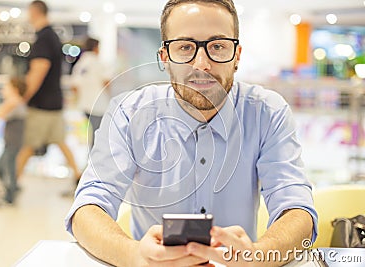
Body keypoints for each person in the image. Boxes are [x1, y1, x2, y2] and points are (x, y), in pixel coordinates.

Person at [65, 0, 318, 266]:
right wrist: (134, 256)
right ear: (164, 57)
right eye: (185, 47)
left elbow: (297, 208)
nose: (202, 64)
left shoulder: (267, 112)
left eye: (218, 46)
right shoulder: (128, 113)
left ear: (237, 56)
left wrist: (260, 255)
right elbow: (87, 207)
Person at [16, 0, 80, 186]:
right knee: (60, 141)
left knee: (28, 144)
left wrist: (23, 97)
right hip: (54, 102)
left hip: (41, 105)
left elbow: (38, 70)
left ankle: (12, 184)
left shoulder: (43, 38)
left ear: (35, 12)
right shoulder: (51, 36)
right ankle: (77, 176)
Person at [71, 37, 111, 150]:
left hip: (85, 105)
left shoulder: (80, 64)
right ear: (95, 47)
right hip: (98, 105)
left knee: (90, 134)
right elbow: (107, 82)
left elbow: (74, 85)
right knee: (99, 135)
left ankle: (92, 158)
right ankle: (96, 161)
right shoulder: (98, 63)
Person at [0, 78, 27, 206]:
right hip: (10, 142)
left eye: (6, 87)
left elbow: (0, 114)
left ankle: (10, 193)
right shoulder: (15, 103)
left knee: (7, 168)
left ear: (15, 90)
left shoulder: (16, 103)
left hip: (14, 143)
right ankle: (11, 188)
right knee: (2, 167)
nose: (3, 90)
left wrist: (9, 101)